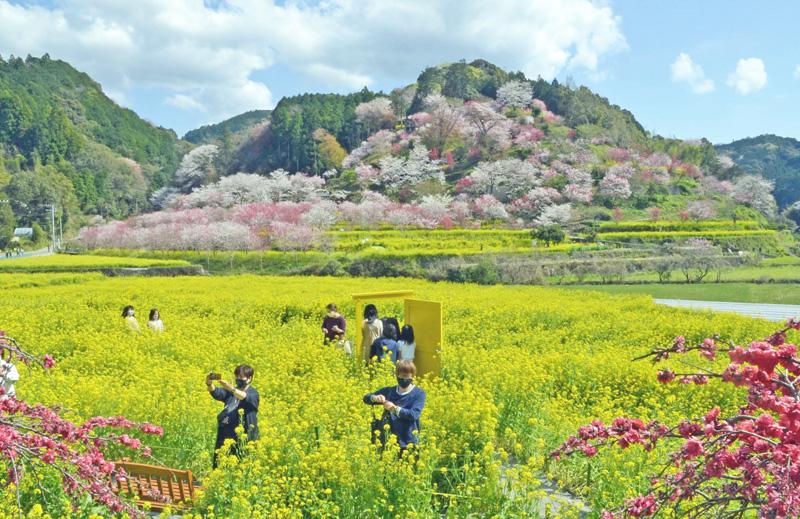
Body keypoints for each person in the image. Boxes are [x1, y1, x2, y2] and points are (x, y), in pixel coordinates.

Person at [363, 360, 426, 452]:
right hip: (387, 441)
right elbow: (366, 398)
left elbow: (414, 414)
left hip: (408, 441)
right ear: (396, 375)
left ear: (412, 376)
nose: (403, 378)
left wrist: (394, 408)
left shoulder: (418, 394)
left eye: (406, 376)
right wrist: (374, 398)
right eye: (400, 375)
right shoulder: (389, 391)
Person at [206, 364, 259, 468]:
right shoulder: (231, 392)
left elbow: (243, 396)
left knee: (239, 466)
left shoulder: (253, 393)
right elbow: (216, 392)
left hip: (242, 439)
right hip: (225, 435)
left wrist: (231, 389)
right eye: (237, 376)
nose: (238, 379)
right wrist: (209, 382)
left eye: (241, 377)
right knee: (219, 465)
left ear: (250, 378)